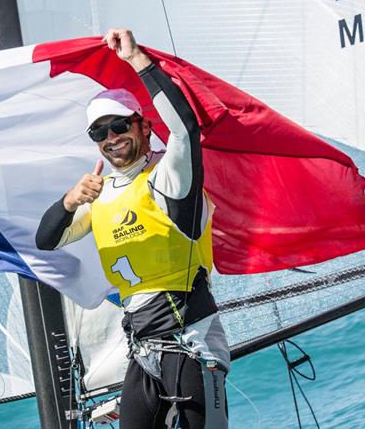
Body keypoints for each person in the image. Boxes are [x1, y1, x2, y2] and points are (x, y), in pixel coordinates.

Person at [35, 29, 230, 429]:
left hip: (190, 343)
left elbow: (185, 130)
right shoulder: (100, 195)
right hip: (142, 352)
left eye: (120, 126)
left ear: (142, 127)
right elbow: (46, 240)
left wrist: (138, 59)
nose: (111, 138)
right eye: (99, 133)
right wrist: (70, 201)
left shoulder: (169, 177)